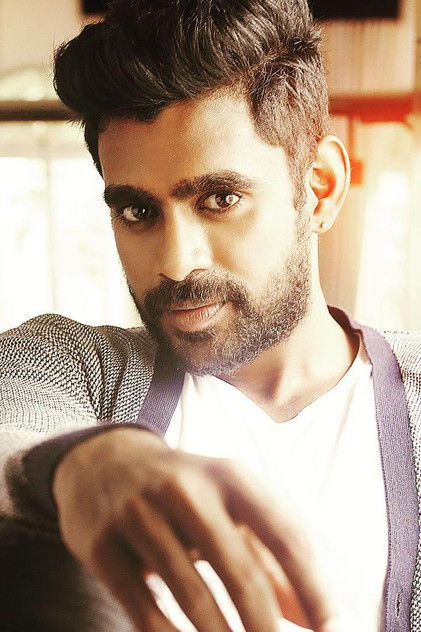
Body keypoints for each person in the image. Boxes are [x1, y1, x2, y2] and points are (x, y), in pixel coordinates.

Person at [0, 0, 420, 631]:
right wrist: (79, 462)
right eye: (138, 212)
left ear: (320, 188)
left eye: (219, 199)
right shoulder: (73, 365)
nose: (176, 263)